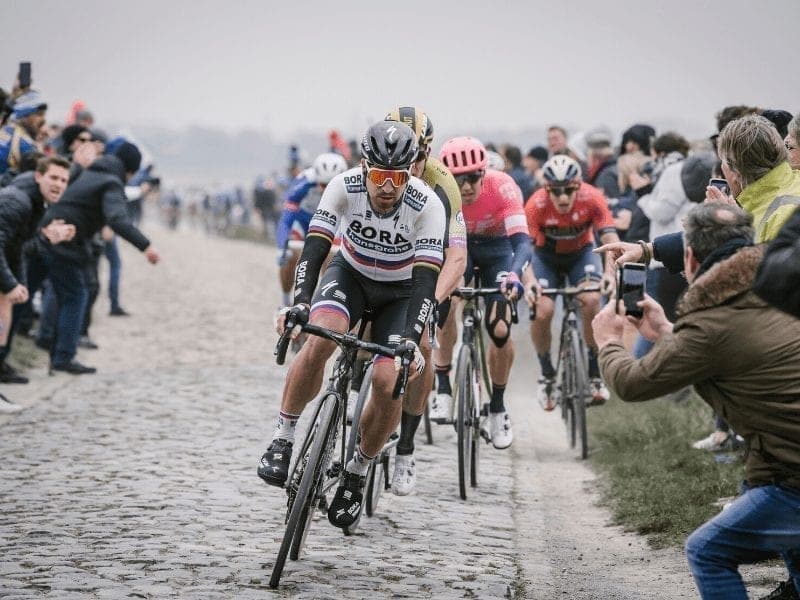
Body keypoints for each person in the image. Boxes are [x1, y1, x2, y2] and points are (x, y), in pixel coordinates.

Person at [592, 202, 800, 600]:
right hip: (787, 466)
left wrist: (608, 344)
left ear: (690, 257)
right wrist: (669, 332)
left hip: (792, 480)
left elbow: (633, 383)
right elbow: (728, 350)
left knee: (707, 550)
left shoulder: (709, 323)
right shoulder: (778, 291)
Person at [257, 121, 446, 529]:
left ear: (411, 171)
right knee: (317, 337)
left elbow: (426, 282)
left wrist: (412, 341)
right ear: (364, 168)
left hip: (400, 293)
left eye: (397, 177)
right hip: (352, 276)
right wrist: (299, 304)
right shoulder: (343, 186)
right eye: (379, 175)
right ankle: (283, 437)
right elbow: (316, 246)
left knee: (388, 378)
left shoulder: (428, 205)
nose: (388, 187)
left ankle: (357, 471)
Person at [383, 106, 466, 495]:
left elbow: (457, 256)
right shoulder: (374, 169)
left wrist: (430, 299)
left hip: (426, 273)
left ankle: (406, 446)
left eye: (417, 154)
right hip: (382, 265)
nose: (409, 163)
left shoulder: (443, 183)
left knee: (424, 346)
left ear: (427, 152)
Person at [432, 136, 531, 450]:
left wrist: (515, 274)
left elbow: (522, 243)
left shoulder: (502, 186)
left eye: (474, 177)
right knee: (445, 302)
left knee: (500, 326)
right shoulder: (436, 191)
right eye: (459, 179)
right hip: (458, 247)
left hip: (497, 250)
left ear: (484, 172)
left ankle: (498, 406)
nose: (467, 187)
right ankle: (444, 385)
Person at [39, 141, 160, 374]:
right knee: (76, 295)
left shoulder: (90, 172)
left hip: (47, 232)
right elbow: (117, 219)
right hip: (64, 239)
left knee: (55, 290)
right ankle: (63, 356)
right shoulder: (111, 182)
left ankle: (46, 340)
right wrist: (146, 246)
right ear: (130, 171)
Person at [523, 155, 618, 410]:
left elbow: (610, 238)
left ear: (578, 187)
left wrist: (609, 274)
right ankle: (547, 375)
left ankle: (594, 373)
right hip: (546, 258)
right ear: (547, 189)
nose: (563, 198)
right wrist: (529, 281)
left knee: (591, 300)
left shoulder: (592, 197)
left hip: (582, 254)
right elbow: (523, 250)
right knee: (542, 311)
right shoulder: (536, 204)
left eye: (569, 191)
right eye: (556, 191)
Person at [0, 156, 74, 408]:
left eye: (64, 180)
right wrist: (10, 284)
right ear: (38, 176)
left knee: (5, 310)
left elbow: (19, 246)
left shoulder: (36, 202)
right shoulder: (18, 201)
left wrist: (47, 237)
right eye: (53, 177)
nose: (59, 184)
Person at [274, 152, 348, 307]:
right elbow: (286, 219)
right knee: (291, 255)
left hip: (332, 224)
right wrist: (282, 246)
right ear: (316, 178)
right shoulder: (303, 182)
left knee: (331, 259)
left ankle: (323, 300)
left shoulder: (350, 184)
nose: (326, 189)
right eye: (322, 185)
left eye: (331, 184)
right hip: (303, 223)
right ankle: (285, 300)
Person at [0, 89, 46, 176]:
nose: (43, 120)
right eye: (39, 115)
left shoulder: (5, 129)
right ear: (24, 116)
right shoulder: (26, 144)